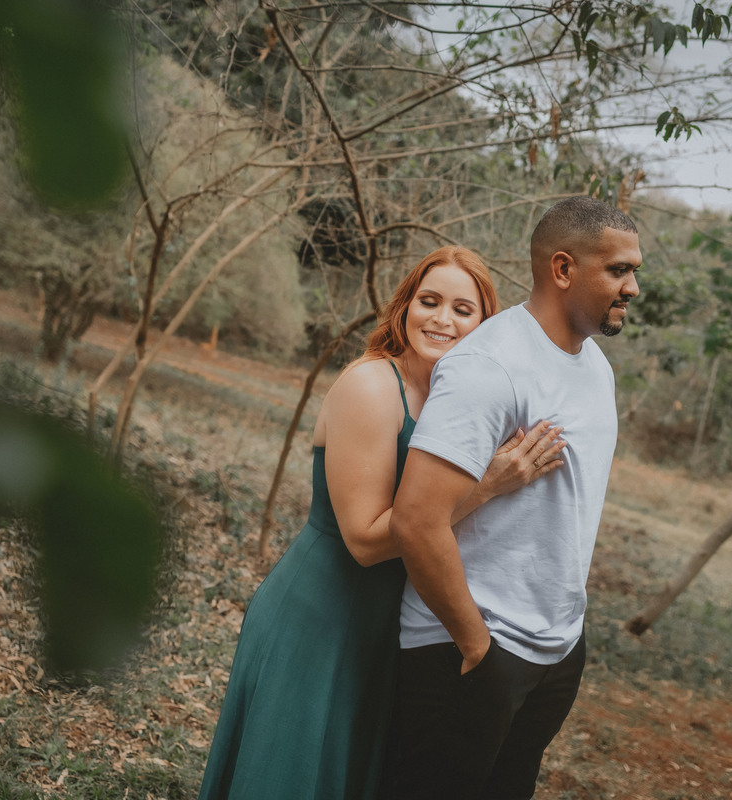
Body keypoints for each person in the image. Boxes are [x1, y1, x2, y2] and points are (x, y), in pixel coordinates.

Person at [198, 246, 569, 800]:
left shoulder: (455, 399)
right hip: (324, 612)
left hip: (390, 623)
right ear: (405, 306)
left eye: (463, 309)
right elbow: (365, 542)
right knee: (293, 775)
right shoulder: (372, 386)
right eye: (429, 301)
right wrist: (489, 485)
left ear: (485, 325)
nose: (442, 319)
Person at [380, 197, 642, 800]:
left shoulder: (596, 367)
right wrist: (477, 646)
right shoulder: (488, 365)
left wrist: (565, 641)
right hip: (465, 650)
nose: (632, 287)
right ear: (562, 268)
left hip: (554, 650)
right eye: (618, 270)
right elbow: (416, 521)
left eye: (633, 272)